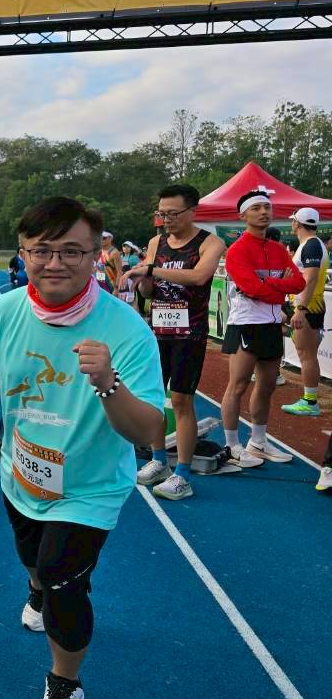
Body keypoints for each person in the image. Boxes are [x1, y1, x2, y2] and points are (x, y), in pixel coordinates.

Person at [0, 196, 163, 699]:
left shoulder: (126, 330)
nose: (55, 263)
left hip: (89, 488)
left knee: (63, 581)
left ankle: (65, 685)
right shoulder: (2, 312)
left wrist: (108, 382)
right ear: (23, 252)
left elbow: (148, 431)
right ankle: (37, 587)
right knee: (34, 562)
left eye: (72, 252)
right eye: (42, 250)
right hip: (22, 473)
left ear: (95, 254)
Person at [126, 185, 227, 501]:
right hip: (158, 332)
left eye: (172, 213)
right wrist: (143, 279)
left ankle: (182, 473)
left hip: (189, 334)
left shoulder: (210, 243)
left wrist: (151, 269)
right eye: (162, 214)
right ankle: (159, 460)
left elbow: (198, 277)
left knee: (182, 400)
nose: (166, 219)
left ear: (192, 211)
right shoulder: (156, 243)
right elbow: (148, 292)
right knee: (154, 397)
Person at [220, 191, 306, 468]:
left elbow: (299, 284)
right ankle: (232, 445)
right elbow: (251, 288)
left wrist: (267, 287)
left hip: (271, 325)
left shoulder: (278, 249)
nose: (263, 212)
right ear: (243, 215)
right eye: (256, 208)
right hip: (245, 323)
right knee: (238, 385)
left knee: (267, 385)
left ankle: (257, 442)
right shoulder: (237, 250)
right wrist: (276, 288)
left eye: (267, 207)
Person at [280, 207, 327, 420]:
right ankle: (309, 400)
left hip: (308, 307)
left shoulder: (311, 245)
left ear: (297, 223)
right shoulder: (310, 244)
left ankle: (310, 402)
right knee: (305, 353)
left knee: (306, 355)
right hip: (305, 305)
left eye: (293, 221)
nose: (292, 224)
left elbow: (311, 279)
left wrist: (300, 309)